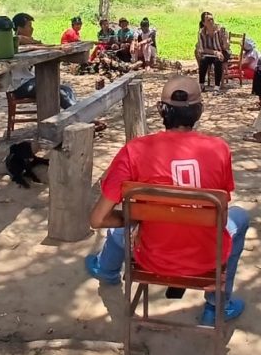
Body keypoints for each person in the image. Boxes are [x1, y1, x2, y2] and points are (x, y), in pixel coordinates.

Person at [84, 75, 250, 324]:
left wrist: (133, 218)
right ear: (200, 111)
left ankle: (106, 269)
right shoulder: (219, 148)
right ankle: (217, 306)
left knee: (131, 223)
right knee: (241, 216)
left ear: (161, 110)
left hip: (150, 258)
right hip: (206, 259)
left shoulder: (135, 150)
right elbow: (223, 211)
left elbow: (98, 219)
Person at [9, 12, 76, 109]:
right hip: (20, 86)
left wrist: (58, 47)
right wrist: (36, 42)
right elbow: (19, 38)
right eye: (29, 26)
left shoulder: (27, 43)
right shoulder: (14, 43)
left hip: (32, 81)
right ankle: (79, 116)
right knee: (58, 92)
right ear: (19, 28)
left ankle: (77, 112)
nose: (32, 29)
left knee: (67, 89)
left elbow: (41, 47)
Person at [195, 11, 230, 90]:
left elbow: (226, 47)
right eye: (208, 20)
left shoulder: (220, 30)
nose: (211, 22)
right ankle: (201, 84)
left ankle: (217, 86)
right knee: (203, 60)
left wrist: (225, 40)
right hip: (210, 53)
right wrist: (215, 52)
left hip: (222, 51)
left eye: (212, 19)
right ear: (204, 23)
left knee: (218, 60)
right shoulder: (202, 32)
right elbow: (203, 49)